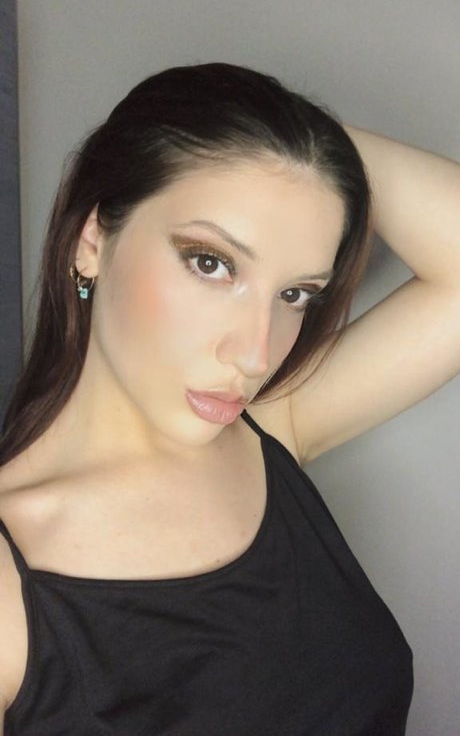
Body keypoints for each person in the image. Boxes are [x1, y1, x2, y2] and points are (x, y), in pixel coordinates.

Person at [0, 63, 458, 736]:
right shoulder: (12, 593)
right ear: (90, 240)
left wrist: (294, 141)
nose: (256, 355)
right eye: (211, 263)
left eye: (295, 294)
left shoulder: (267, 430)